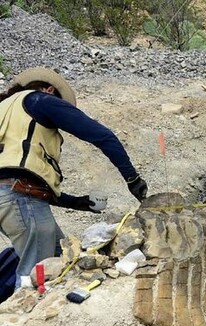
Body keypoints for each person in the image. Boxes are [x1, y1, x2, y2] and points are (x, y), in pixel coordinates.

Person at [0, 67, 148, 288]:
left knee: (60, 256)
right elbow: (102, 136)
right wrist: (132, 178)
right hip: (19, 199)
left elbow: (18, 176)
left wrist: (79, 203)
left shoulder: (6, 111)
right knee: (35, 281)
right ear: (49, 89)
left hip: (14, 199)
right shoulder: (42, 100)